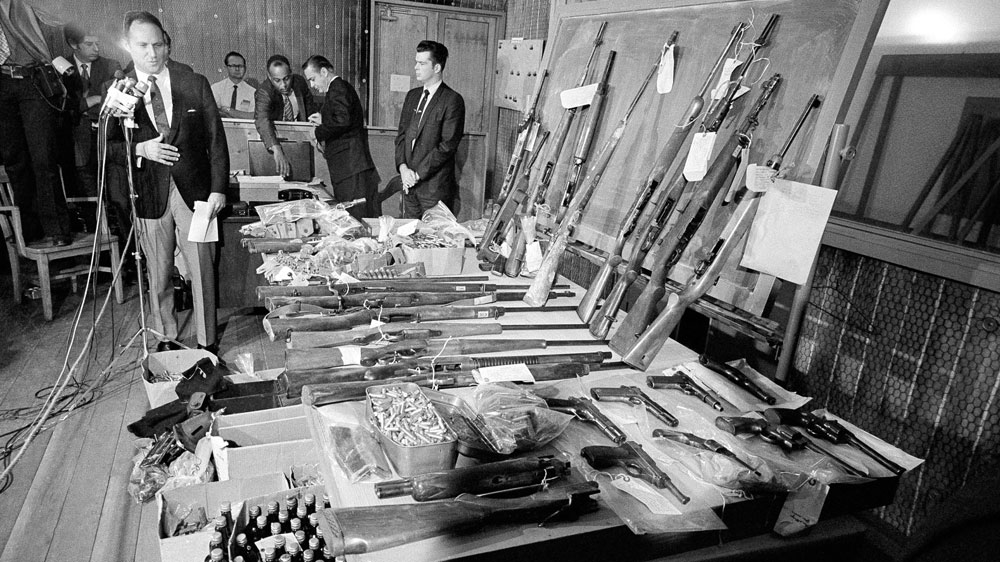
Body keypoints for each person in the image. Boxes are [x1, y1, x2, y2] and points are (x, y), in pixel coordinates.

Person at [108, 11, 228, 353]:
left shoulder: (194, 82)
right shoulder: (119, 89)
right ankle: (166, 337)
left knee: (202, 270)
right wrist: (139, 148)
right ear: (128, 46)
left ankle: (207, 343)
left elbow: (216, 140)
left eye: (158, 44)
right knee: (158, 274)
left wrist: (218, 189)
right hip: (148, 193)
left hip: (196, 194)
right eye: (143, 46)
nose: (152, 53)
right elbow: (103, 148)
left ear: (167, 44)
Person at [0, 0, 72, 245]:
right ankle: (29, 231)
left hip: (30, 78)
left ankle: (57, 229)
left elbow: (57, 17)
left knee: (44, 157)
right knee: (14, 161)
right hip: (2, 83)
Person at [302, 55, 380, 219]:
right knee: (350, 216)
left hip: (350, 167)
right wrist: (324, 119)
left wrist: (317, 132)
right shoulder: (338, 89)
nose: (312, 85)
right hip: (348, 168)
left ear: (324, 72)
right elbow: (343, 119)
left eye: (313, 79)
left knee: (354, 217)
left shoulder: (338, 88)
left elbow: (342, 121)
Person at [394, 40, 464, 218]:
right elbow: (401, 136)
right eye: (416, 62)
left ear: (437, 68)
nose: (416, 67)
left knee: (433, 233)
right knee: (409, 230)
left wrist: (417, 175)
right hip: (409, 185)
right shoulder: (412, 96)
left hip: (434, 189)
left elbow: (447, 145)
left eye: (422, 63)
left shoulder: (452, 100)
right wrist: (403, 168)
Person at [64, 23, 121, 196]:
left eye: (98, 43)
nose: (96, 49)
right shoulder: (60, 68)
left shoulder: (111, 66)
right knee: (86, 195)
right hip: (77, 145)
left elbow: (115, 100)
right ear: (73, 44)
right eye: (89, 44)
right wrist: (92, 100)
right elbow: (63, 107)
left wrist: (83, 105)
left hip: (108, 140)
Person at [254, 54, 313, 178]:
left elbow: (310, 111)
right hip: (275, 142)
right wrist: (276, 148)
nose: (283, 85)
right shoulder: (264, 91)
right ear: (269, 77)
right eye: (277, 80)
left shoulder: (299, 82)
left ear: (291, 73)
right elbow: (262, 120)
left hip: (301, 143)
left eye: (286, 78)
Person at [211, 51, 255, 119]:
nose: (237, 69)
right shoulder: (216, 88)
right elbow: (212, 111)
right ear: (226, 67)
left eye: (240, 66)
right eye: (233, 66)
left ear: (245, 68)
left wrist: (228, 110)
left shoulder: (252, 92)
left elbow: (253, 116)